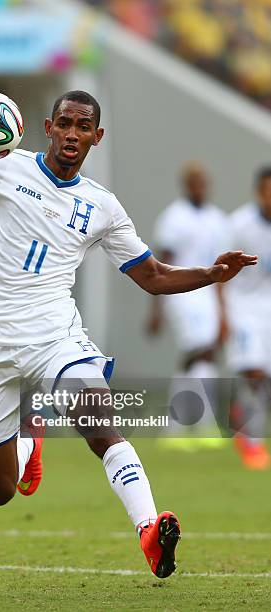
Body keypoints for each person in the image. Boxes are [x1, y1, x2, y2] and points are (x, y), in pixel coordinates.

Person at [0, 90, 256, 579]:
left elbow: (151, 276)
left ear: (97, 136)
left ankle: (149, 529)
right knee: (0, 492)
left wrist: (211, 274)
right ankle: (29, 439)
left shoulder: (103, 207)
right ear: (48, 128)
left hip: (56, 340)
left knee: (101, 425)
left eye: (83, 126)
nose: (73, 134)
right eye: (65, 124)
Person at [147, 162, 229, 450]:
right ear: (186, 185)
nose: (199, 187)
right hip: (181, 291)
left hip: (208, 294)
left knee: (203, 355)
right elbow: (158, 267)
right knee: (199, 350)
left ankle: (180, 427)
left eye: (203, 182)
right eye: (194, 182)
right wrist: (155, 309)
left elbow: (222, 266)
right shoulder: (174, 218)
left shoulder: (218, 219)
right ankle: (200, 426)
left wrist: (224, 308)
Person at [226, 166, 271, 470]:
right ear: (258, 192)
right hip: (241, 305)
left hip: (267, 306)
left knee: (265, 376)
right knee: (253, 372)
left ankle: (243, 422)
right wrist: (221, 314)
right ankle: (251, 441)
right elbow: (218, 270)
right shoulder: (239, 224)